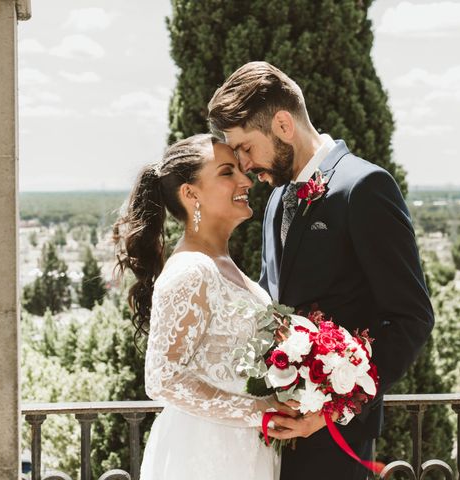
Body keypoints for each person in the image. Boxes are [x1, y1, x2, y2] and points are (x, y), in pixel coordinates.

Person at [208, 62, 435, 480]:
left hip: (336, 438)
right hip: (275, 429)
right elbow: (271, 302)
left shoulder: (365, 187)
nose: (243, 164)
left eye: (244, 147)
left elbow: (412, 317)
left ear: (282, 124)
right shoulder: (277, 199)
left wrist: (333, 408)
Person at [114, 133, 294, 480]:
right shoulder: (191, 270)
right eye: (228, 172)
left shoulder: (224, 263)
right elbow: (162, 380)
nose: (245, 180)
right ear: (190, 193)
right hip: (205, 453)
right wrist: (258, 409)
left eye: (242, 170)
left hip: (247, 448)